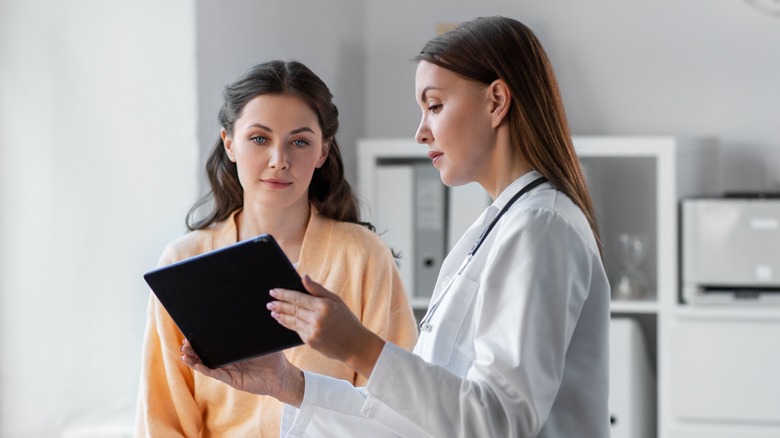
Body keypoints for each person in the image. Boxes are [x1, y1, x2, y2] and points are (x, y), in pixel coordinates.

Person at [181, 16, 610, 437]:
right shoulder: (498, 228)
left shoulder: (540, 226)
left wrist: (359, 347)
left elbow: (500, 423)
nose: (421, 132)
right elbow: (419, 421)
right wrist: (288, 384)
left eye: (435, 106)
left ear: (496, 101)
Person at [135, 60, 419, 437]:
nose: (279, 161)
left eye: (299, 142)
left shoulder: (363, 257)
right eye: (259, 139)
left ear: (323, 151)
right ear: (229, 143)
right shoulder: (184, 262)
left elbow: (399, 404)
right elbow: (162, 419)